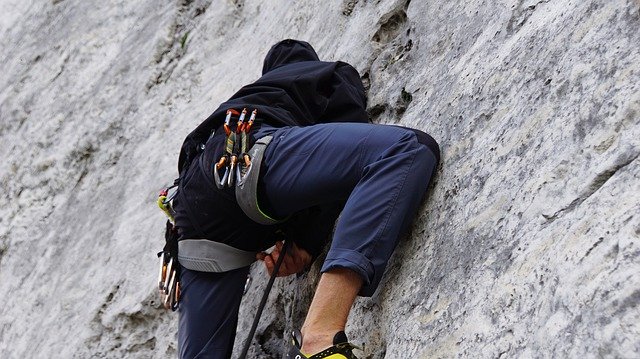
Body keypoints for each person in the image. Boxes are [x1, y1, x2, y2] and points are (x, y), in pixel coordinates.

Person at [171, 39, 440, 359]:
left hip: (192, 207)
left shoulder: (245, 98)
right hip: (250, 159)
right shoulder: (326, 74)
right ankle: (320, 336)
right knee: (406, 150)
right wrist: (306, 243)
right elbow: (344, 145)